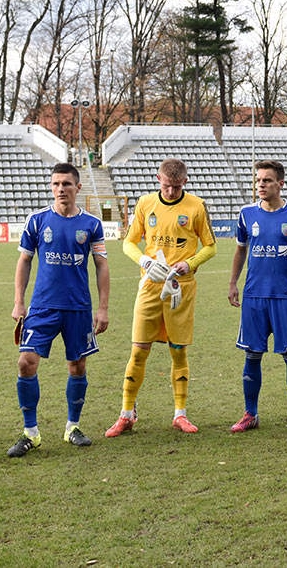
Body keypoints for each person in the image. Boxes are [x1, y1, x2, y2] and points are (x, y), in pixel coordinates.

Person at [106, 158, 217, 436]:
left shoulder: (196, 206)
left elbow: (210, 247)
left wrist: (189, 264)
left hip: (181, 288)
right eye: (167, 186)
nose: (170, 192)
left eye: (176, 187)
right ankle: (126, 414)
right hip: (150, 286)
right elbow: (128, 243)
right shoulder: (145, 204)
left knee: (178, 351)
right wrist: (143, 260)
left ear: (185, 183)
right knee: (139, 350)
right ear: (158, 179)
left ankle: (180, 414)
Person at [8, 163, 110, 457]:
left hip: (78, 308)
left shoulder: (91, 224)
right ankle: (31, 433)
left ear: (78, 188)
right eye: (55, 184)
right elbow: (24, 261)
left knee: (77, 366)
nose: (60, 189)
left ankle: (72, 428)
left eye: (66, 183)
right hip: (42, 307)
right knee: (26, 362)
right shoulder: (37, 220)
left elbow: (102, 265)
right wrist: (19, 301)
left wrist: (102, 309)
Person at [228, 160, 287, 434]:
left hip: (285, 296)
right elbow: (240, 250)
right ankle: (250, 414)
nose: (261, 185)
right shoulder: (246, 215)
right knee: (252, 355)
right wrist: (233, 283)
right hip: (254, 297)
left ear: (280, 183)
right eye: (258, 180)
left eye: (266, 180)